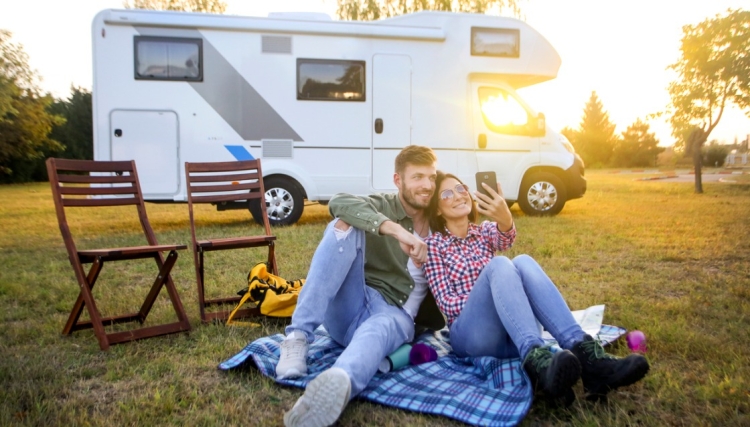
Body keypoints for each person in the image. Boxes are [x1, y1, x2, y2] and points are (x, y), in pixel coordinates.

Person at [423, 171, 649, 402]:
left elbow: (505, 237)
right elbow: (447, 303)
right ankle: (537, 360)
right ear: (438, 209)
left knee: (523, 260)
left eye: (461, 188)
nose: (459, 196)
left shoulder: (483, 232)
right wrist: (494, 292)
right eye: (447, 194)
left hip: (514, 334)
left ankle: (585, 358)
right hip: (473, 338)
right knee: (500, 264)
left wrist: (505, 217)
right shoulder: (433, 246)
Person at [276, 146, 445, 427]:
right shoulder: (384, 205)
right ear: (398, 180)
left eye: (432, 177)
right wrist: (396, 230)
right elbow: (340, 202)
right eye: (417, 177)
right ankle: (297, 338)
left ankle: (337, 383)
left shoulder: (440, 226)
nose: (427, 185)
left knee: (378, 329)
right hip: (353, 302)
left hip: (395, 315)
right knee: (343, 225)